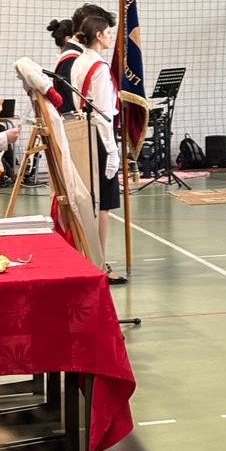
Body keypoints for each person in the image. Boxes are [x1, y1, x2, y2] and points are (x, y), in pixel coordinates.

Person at [70, 14, 124, 284]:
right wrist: (112, 150)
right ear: (99, 35)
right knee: (103, 205)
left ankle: (89, 258)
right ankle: (100, 264)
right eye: (108, 33)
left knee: (90, 202)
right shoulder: (99, 68)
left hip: (82, 134)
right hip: (100, 137)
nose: (110, 37)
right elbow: (103, 113)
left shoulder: (79, 61)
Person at [53, 5, 114, 114]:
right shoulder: (72, 58)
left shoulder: (79, 55)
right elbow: (71, 104)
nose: (111, 36)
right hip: (79, 122)